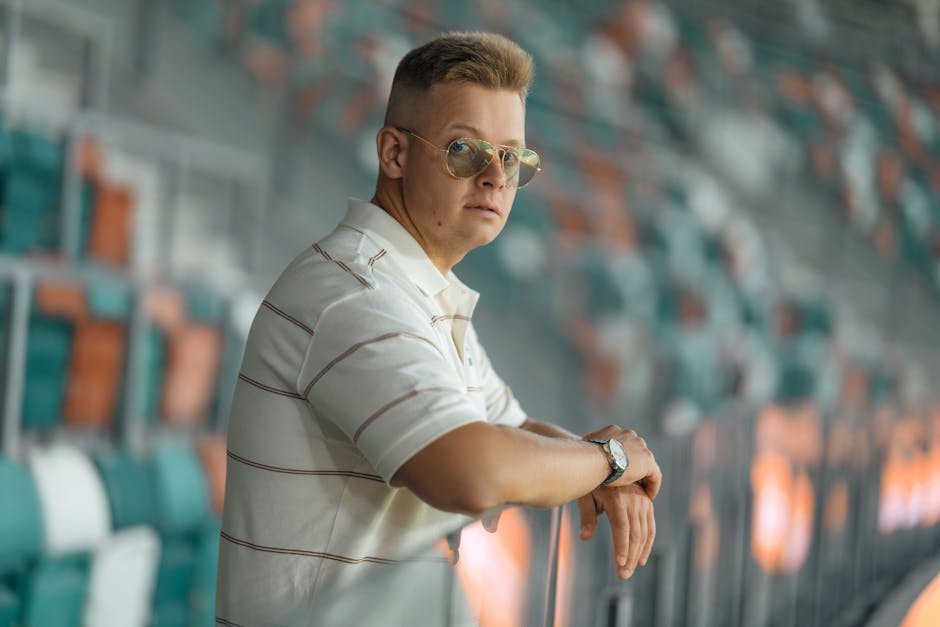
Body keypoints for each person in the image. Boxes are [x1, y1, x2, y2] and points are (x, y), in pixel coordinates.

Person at [216, 31, 662, 625]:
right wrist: (607, 459)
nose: (494, 178)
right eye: (463, 150)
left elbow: (515, 430)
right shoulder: (354, 292)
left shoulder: (414, 285)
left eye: (511, 157)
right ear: (394, 153)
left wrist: (595, 464)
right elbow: (473, 471)